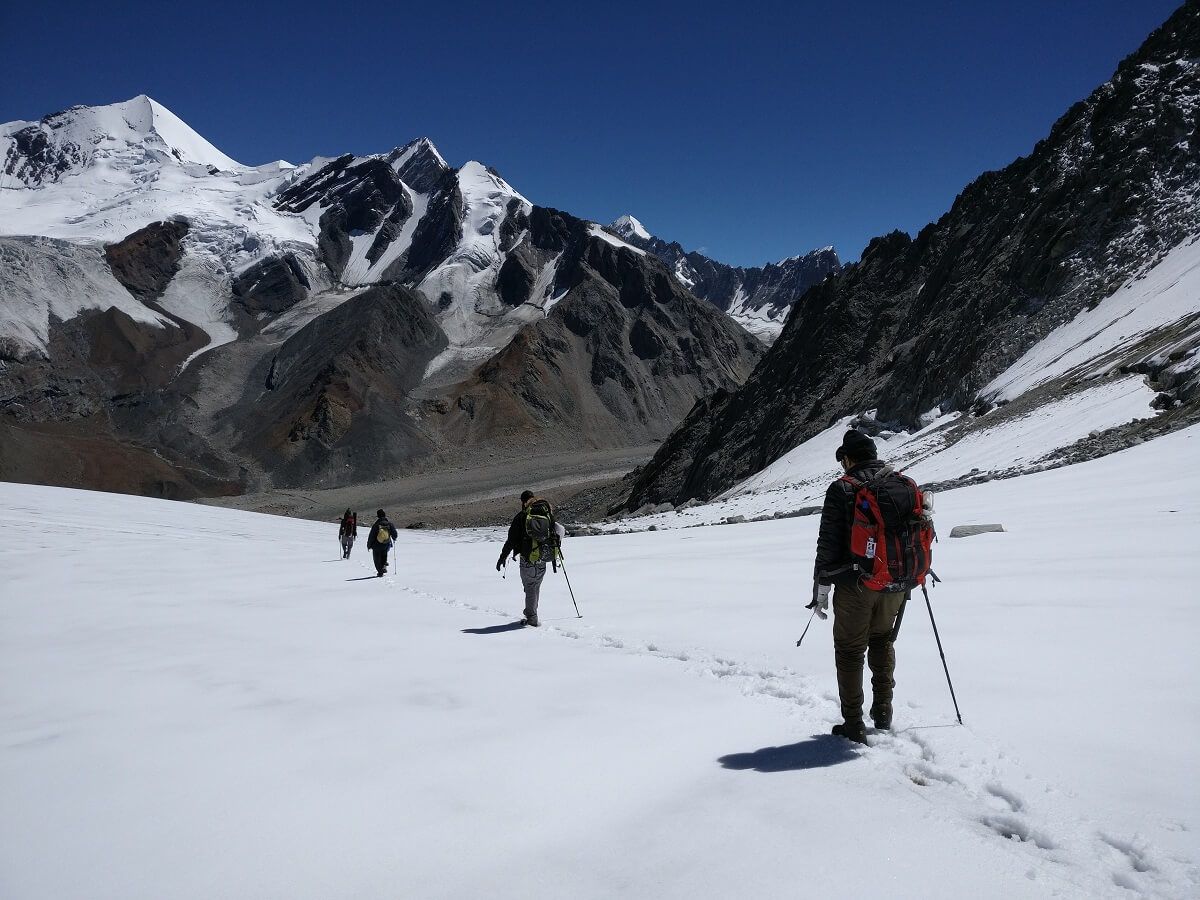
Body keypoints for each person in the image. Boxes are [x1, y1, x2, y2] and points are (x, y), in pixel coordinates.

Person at [807, 429, 906, 745]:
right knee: (881, 641)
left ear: (848, 458)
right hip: (895, 583)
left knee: (850, 651)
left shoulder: (842, 489)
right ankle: (883, 711)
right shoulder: (898, 484)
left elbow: (828, 545)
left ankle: (853, 724)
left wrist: (819, 588)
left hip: (855, 585)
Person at [495, 490, 557, 627]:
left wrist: (502, 557)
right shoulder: (547, 513)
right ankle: (532, 613)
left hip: (527, 559)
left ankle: (531, 618)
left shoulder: (522, 516)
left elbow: (511, 540)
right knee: (535, 587)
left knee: (530, 587)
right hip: (542, 558)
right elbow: (555, 533)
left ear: (523, 502)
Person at [366, 509, 398, 577]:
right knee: (384, 556)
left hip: (376, 545)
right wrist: (394, 538)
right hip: (386, 544)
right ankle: (383, 566)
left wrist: (369, 545)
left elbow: (371, 536)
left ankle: (380, 572)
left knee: (376, 559)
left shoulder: (376, 525)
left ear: (378, 516)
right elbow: (395, 534)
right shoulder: (389, 524)